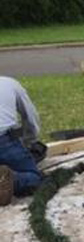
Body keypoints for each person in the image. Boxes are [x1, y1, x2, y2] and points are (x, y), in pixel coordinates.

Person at [0, 76, 43, 206]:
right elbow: (30, 117)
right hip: (5, 142)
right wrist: (30, 141)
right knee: (34, 178)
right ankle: (13, 180)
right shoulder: (9, 83)